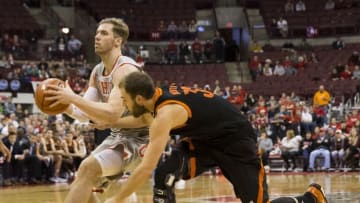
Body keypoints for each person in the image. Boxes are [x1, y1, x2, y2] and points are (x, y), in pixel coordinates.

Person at [103, 71, 328, 203]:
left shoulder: (166, 113)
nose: (123, 104)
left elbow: (144, 168)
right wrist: (112, 121)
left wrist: (117, 199)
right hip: (204, 141)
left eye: (125, 99)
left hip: (236, 142)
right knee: (165, 173)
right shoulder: (158, 96)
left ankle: (311, 198)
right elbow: (144, 120)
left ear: (140, 98)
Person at [45, 18, 151, 203]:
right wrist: (65, 105)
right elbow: (85, 113)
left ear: (118, 41)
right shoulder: (97, 71)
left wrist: (72, 97)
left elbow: (111, 113)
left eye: (104, 33)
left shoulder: (125, 70)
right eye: (97, 33)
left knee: (87, 168)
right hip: (118, 136)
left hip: (141, 139)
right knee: (83, 177)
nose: (97, 37)